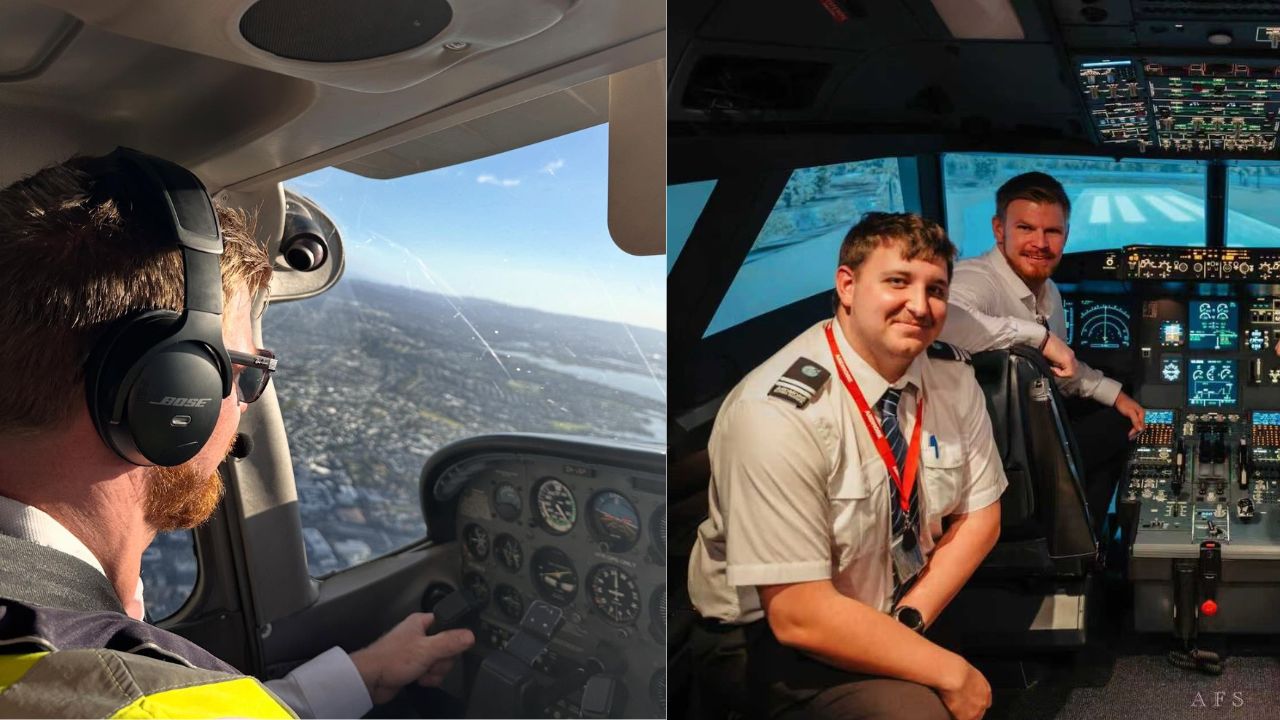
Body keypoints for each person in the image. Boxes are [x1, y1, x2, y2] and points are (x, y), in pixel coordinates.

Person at [0, 152, 474, 717]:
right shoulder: (134, 699)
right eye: (244, 374)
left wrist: (362, 677)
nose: (245, 410)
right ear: (175, 391)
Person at [688, 212, 1007, 720]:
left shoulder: (951, 378)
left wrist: (908, 623)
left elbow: (980, 516)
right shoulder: (777, 414)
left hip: (897, 601)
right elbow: (799, 615)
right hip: (771, 637)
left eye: (936, 289)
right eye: (898, 282)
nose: (920, 306)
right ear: (848, 287)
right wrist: (953, 673)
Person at [937, 171, 1143, 531]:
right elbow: (943, 320)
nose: (1040, 243)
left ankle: (1084, 533)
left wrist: (1115, 393)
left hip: (1028, 424)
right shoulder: (977, 278)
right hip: (997, 450)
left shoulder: (1049, 292)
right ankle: (1079, 538)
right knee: (1117, 429)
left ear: (1065, 235)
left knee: (1120, 403)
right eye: (1025, 228)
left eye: (1052, 232)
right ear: (999, 230)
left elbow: (1063, 372)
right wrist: (1040, 337)